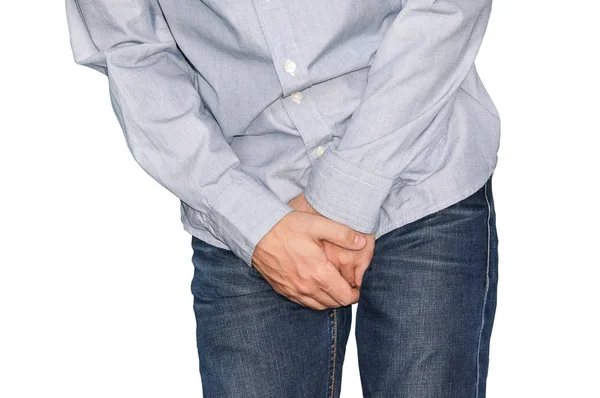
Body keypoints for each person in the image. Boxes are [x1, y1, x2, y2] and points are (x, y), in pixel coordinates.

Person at [65, 0, 500, 396]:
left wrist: (342, 194)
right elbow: (130, 50)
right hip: (250, 211)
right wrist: (251, 220)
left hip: (421, 172)